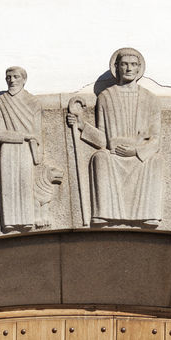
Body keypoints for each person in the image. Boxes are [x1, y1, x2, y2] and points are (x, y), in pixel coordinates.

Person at [67, 47, 163, 226]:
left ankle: (149, 214)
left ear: (139, 68)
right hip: (114, 155)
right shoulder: (105, 97)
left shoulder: (150, 99)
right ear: (117, 67)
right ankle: (104, 213)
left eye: (133, 64)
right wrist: (81, 125)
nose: (128, 68)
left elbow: (156, 140)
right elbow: (102, 139)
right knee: (99, 158)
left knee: (155, 160)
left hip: (138, 154)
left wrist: (135, 151)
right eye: (124, 64)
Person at [0, 66, 42, 232]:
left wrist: (38, 153)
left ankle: (27, 219)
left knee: (25, 184)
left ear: (24, 79)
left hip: (26, 150)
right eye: (8, 77)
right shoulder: (0, 102)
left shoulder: (34, 102)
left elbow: (38, 132)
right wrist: (25, 136)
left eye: (16, 76)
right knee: (9, 186)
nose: (12, 80)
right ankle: (10, 221)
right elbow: (1, 134)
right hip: (8, 150)